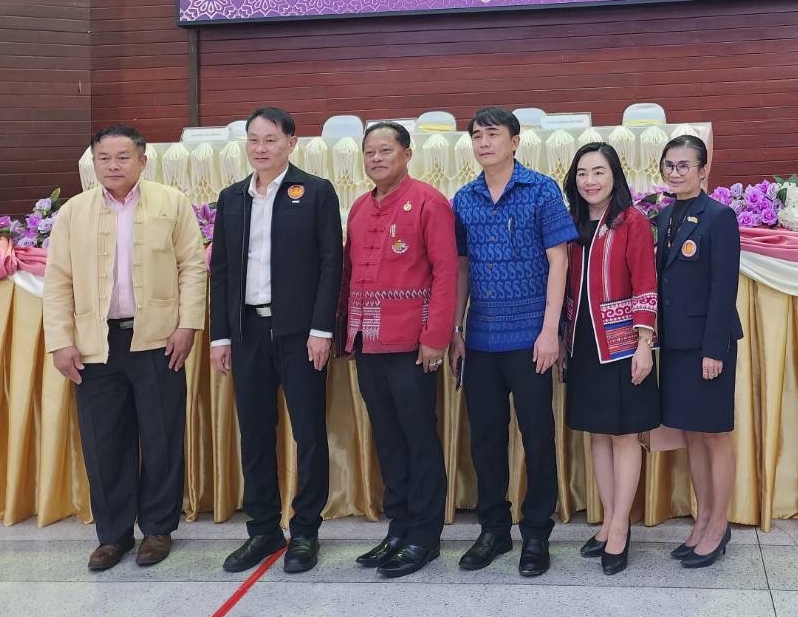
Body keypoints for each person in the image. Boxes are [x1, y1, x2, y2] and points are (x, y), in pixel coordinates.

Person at [42, 125, 207, 572]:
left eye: (122, 157)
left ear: (142, 161)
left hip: (158, 339)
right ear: (93, 163)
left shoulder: (171, 203)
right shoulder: (74, 212)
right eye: (104, 158)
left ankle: (157, 530)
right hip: (95, 344)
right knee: (104, 442)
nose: (113, 166)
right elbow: (57, 281)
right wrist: (60, 341)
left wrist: (188, 325)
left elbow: (193, 267)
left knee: (161, 437)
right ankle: (113, 535)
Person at [209, 108, 342, 575]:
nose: (260, 148)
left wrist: (321, 330)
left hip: (301, 334)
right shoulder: (232, 198)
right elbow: (221, 271)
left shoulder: (315, 191)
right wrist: (221, 335)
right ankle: (264, 529)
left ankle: (305, 530)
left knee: (308, 433)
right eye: (253, 140)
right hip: (247, 332)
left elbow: (331, 264)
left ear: (291, 142)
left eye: (270, 139)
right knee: (255, 434)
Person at [450, 107, 578, 577]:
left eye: (493, 135)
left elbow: (559, 261)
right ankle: (494, 529)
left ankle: (537, 533)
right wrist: (456, 329)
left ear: (515, 141)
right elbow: (462, 268)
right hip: (481, 337)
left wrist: (550, 330)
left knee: (537, 436)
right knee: (485, 438)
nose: (484, 143)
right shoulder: (464, 198)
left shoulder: (542, 190)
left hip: (531, 337)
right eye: (477, 136)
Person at [339, 122, 458, 578]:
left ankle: (425, 535)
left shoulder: (429, 201)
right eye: (369, 152)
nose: (376, 159)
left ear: (407, 154)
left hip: (413, 344)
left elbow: (446, 273)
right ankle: (398, 528)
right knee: (388, 438)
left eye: (385, 150)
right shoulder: (359, 207)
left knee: (418, 437)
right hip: (367, 341)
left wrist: (435, 338)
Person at [560, 142, 660, 576]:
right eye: (583, 173)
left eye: (599, 172)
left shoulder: (631, 220)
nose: (590, 181)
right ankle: (605, 519)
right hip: (583, 342)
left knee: (624, 435)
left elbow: (645, 281)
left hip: (620, 343)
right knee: (597, 434)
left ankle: (621, 526)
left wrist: (644, 343)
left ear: (614, 176)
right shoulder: (572, 222)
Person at [655, 134, 741, 568]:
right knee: (691, 435)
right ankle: (702, 518)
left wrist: (714, 350)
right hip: (675, 344)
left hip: (708, 345)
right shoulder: (664, 215)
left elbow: (724, 288)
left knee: (714, 434)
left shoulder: (719, 217)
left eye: (684, 165)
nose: (675, 173)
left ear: (704, 170)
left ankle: (719, 524)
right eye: (669, 165)